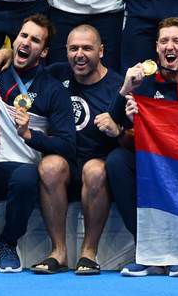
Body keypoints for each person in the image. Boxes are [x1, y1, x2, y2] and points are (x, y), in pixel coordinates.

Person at [0, 15, 75, 274]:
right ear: (15, 40)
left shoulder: (53, 90)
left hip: (23, 167)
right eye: (23, 36)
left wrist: (32, 136)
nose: (27, 42)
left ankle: (9, 243)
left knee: (25, 177)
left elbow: (68, 145)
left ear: (43, 52)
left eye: (35, 40)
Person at [107, 18, 178, 277]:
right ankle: (149, 251)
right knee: (117, 161)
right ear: (156, 47)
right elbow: (112, 122)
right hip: (155, 169)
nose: (169, 46)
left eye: (176, 41)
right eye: (164, 41)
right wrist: (125, 91)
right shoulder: (144, 84)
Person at [42, 24, 125, 275]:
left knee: (94, 170)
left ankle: (89, 252)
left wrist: (117, 130)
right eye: (74, 48)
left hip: (98, 162)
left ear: (101, 51)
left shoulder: (118, 86)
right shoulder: (56, 75)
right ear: (65, 51)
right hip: (66, 160)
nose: (80, 54)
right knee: (49, 166)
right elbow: (27, 62)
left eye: (87, 48)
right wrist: (6, 53)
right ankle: (58, 251)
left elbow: (133, 138)